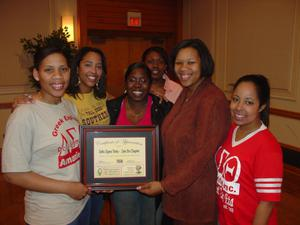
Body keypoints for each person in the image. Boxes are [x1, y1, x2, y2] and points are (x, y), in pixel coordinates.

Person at [11, 46, 110, 225]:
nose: (58, 76)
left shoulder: (67, 105)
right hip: (52, 213)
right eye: (49, 70)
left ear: (69, 72)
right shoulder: (24, 113)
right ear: (36, 74)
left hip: (82, 203)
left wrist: (104, 179)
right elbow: (14, 174)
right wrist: (67, 188)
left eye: (63, 69)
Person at [138, 38, 231, 225]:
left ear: (203, 63)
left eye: (191, 62)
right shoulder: (187, 93)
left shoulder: (212, 99)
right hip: (177, 192)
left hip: (196, 198)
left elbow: (201, 155)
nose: (183, 68)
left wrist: (165, 185)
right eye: (179, 62)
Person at [106, 62, 171, 225]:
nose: (137, 85)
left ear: (150, 84)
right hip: (121, 183)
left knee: (152, 221)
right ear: (125, 83)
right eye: (132, 80)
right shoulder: (111, 107)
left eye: (143, 80)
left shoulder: (163, 108)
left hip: (152, 182)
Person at [215, 74, 283, 225]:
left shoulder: (268, 147)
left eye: (249, 102)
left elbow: (267, 203)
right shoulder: (230, 130)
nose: (239, 107)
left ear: (262, 105)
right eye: (235, 99)